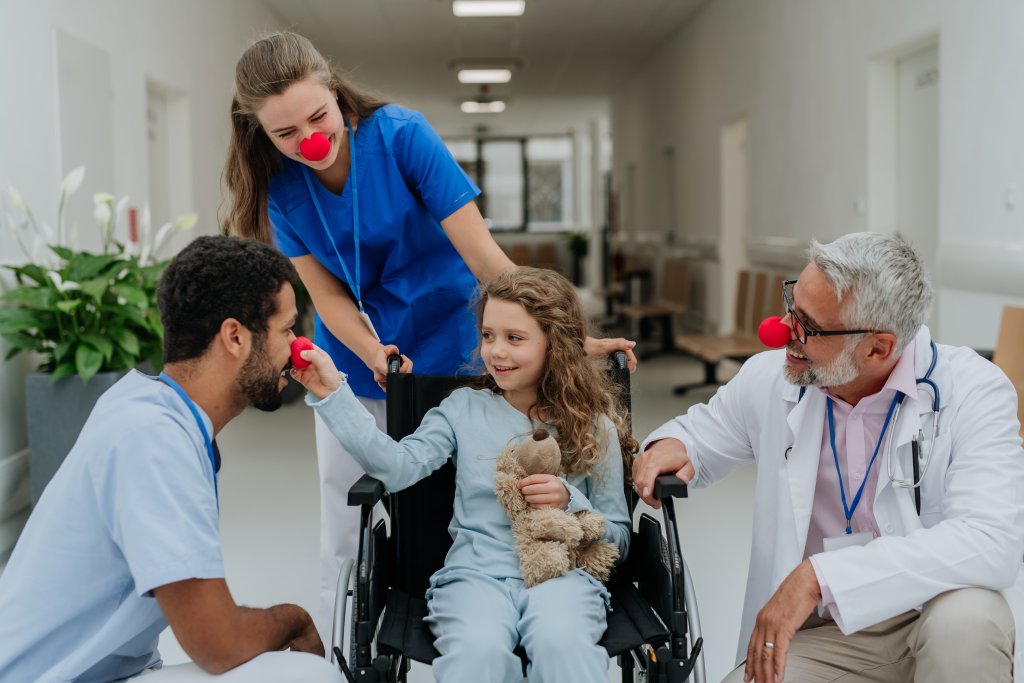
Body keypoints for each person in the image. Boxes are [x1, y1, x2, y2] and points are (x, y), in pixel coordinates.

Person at [223, 30, 637, 639]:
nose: (309, 140)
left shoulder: (401, 136)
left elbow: (485, 257)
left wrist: (562, 337)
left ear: (336, 94)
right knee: (346, 518)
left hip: (453, 347)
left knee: (463, 501)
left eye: (318, 117)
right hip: (357, 360)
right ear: (260, 132)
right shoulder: (282, 189)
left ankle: (496, 621)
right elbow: (328, 297)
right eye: (285, 132)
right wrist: (369, 350)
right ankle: (344, 651)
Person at [632, 232, 1024, 683]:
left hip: (933, 610)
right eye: (791, 306)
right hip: (830, 633)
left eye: (808, 326)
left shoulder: (974, 391)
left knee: (966, 622)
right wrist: (672, 445)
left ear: (878, 348)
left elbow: (991, 541)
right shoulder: (772, 379)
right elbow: (700, 432)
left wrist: (821, 577)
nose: (782, 330)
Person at [0, 236, 343, 683]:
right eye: (288, 330)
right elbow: (218, 643)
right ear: (235, 337)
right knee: (309, 676)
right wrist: (296, 619)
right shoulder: (155, 441)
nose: (298, 347)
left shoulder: (148, 408)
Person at [291, 266, 635, 681]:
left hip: (564, 576)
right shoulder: (461, 409)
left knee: (561, 645)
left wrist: (570, 500)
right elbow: (397, 468)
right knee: (477, 655)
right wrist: (333, 393)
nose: (496, 351)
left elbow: (619, 538)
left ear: (555, 344)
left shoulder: (594, 426)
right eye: (488, 335)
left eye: (514, 338)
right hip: (475, 576)